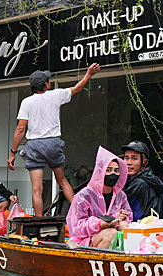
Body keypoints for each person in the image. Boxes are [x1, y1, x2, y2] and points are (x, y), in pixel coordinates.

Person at [8, 64, 101, 216]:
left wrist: (12, 153)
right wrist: (89, 74)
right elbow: (77, 88)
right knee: (63, 181)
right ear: (46, 84)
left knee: (37, 189)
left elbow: (20, 129)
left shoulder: (27, 102)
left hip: (35, 145)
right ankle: (81, 215)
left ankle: (39, 223)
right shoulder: (56, 95)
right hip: (52, 143)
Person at [66, 147, 133, 248]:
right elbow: (76, 226)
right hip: (86, 240)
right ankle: (97, 261)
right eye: (108, 170)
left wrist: (119, 217)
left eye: (116, 170)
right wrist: (100, 224)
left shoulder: (120, 195)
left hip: (111, 233)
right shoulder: (84, 195)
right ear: (100, 172)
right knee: (110, 233)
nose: (113, 174)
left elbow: (129, 219)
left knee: (124, 226)